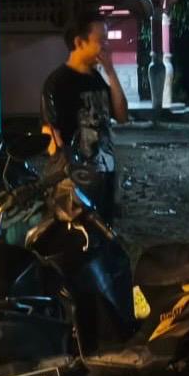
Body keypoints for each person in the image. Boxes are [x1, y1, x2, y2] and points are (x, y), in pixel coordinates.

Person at [41, 12, 129, 223]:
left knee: (106, 230)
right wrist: (68, 178)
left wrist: (111, 72)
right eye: (101, 40)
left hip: (106, 172)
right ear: (79, 42)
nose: (106, 46)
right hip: (79, 180)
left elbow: (122, 115)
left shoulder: (97, 78)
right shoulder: (57, 84)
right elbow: (51, 135)